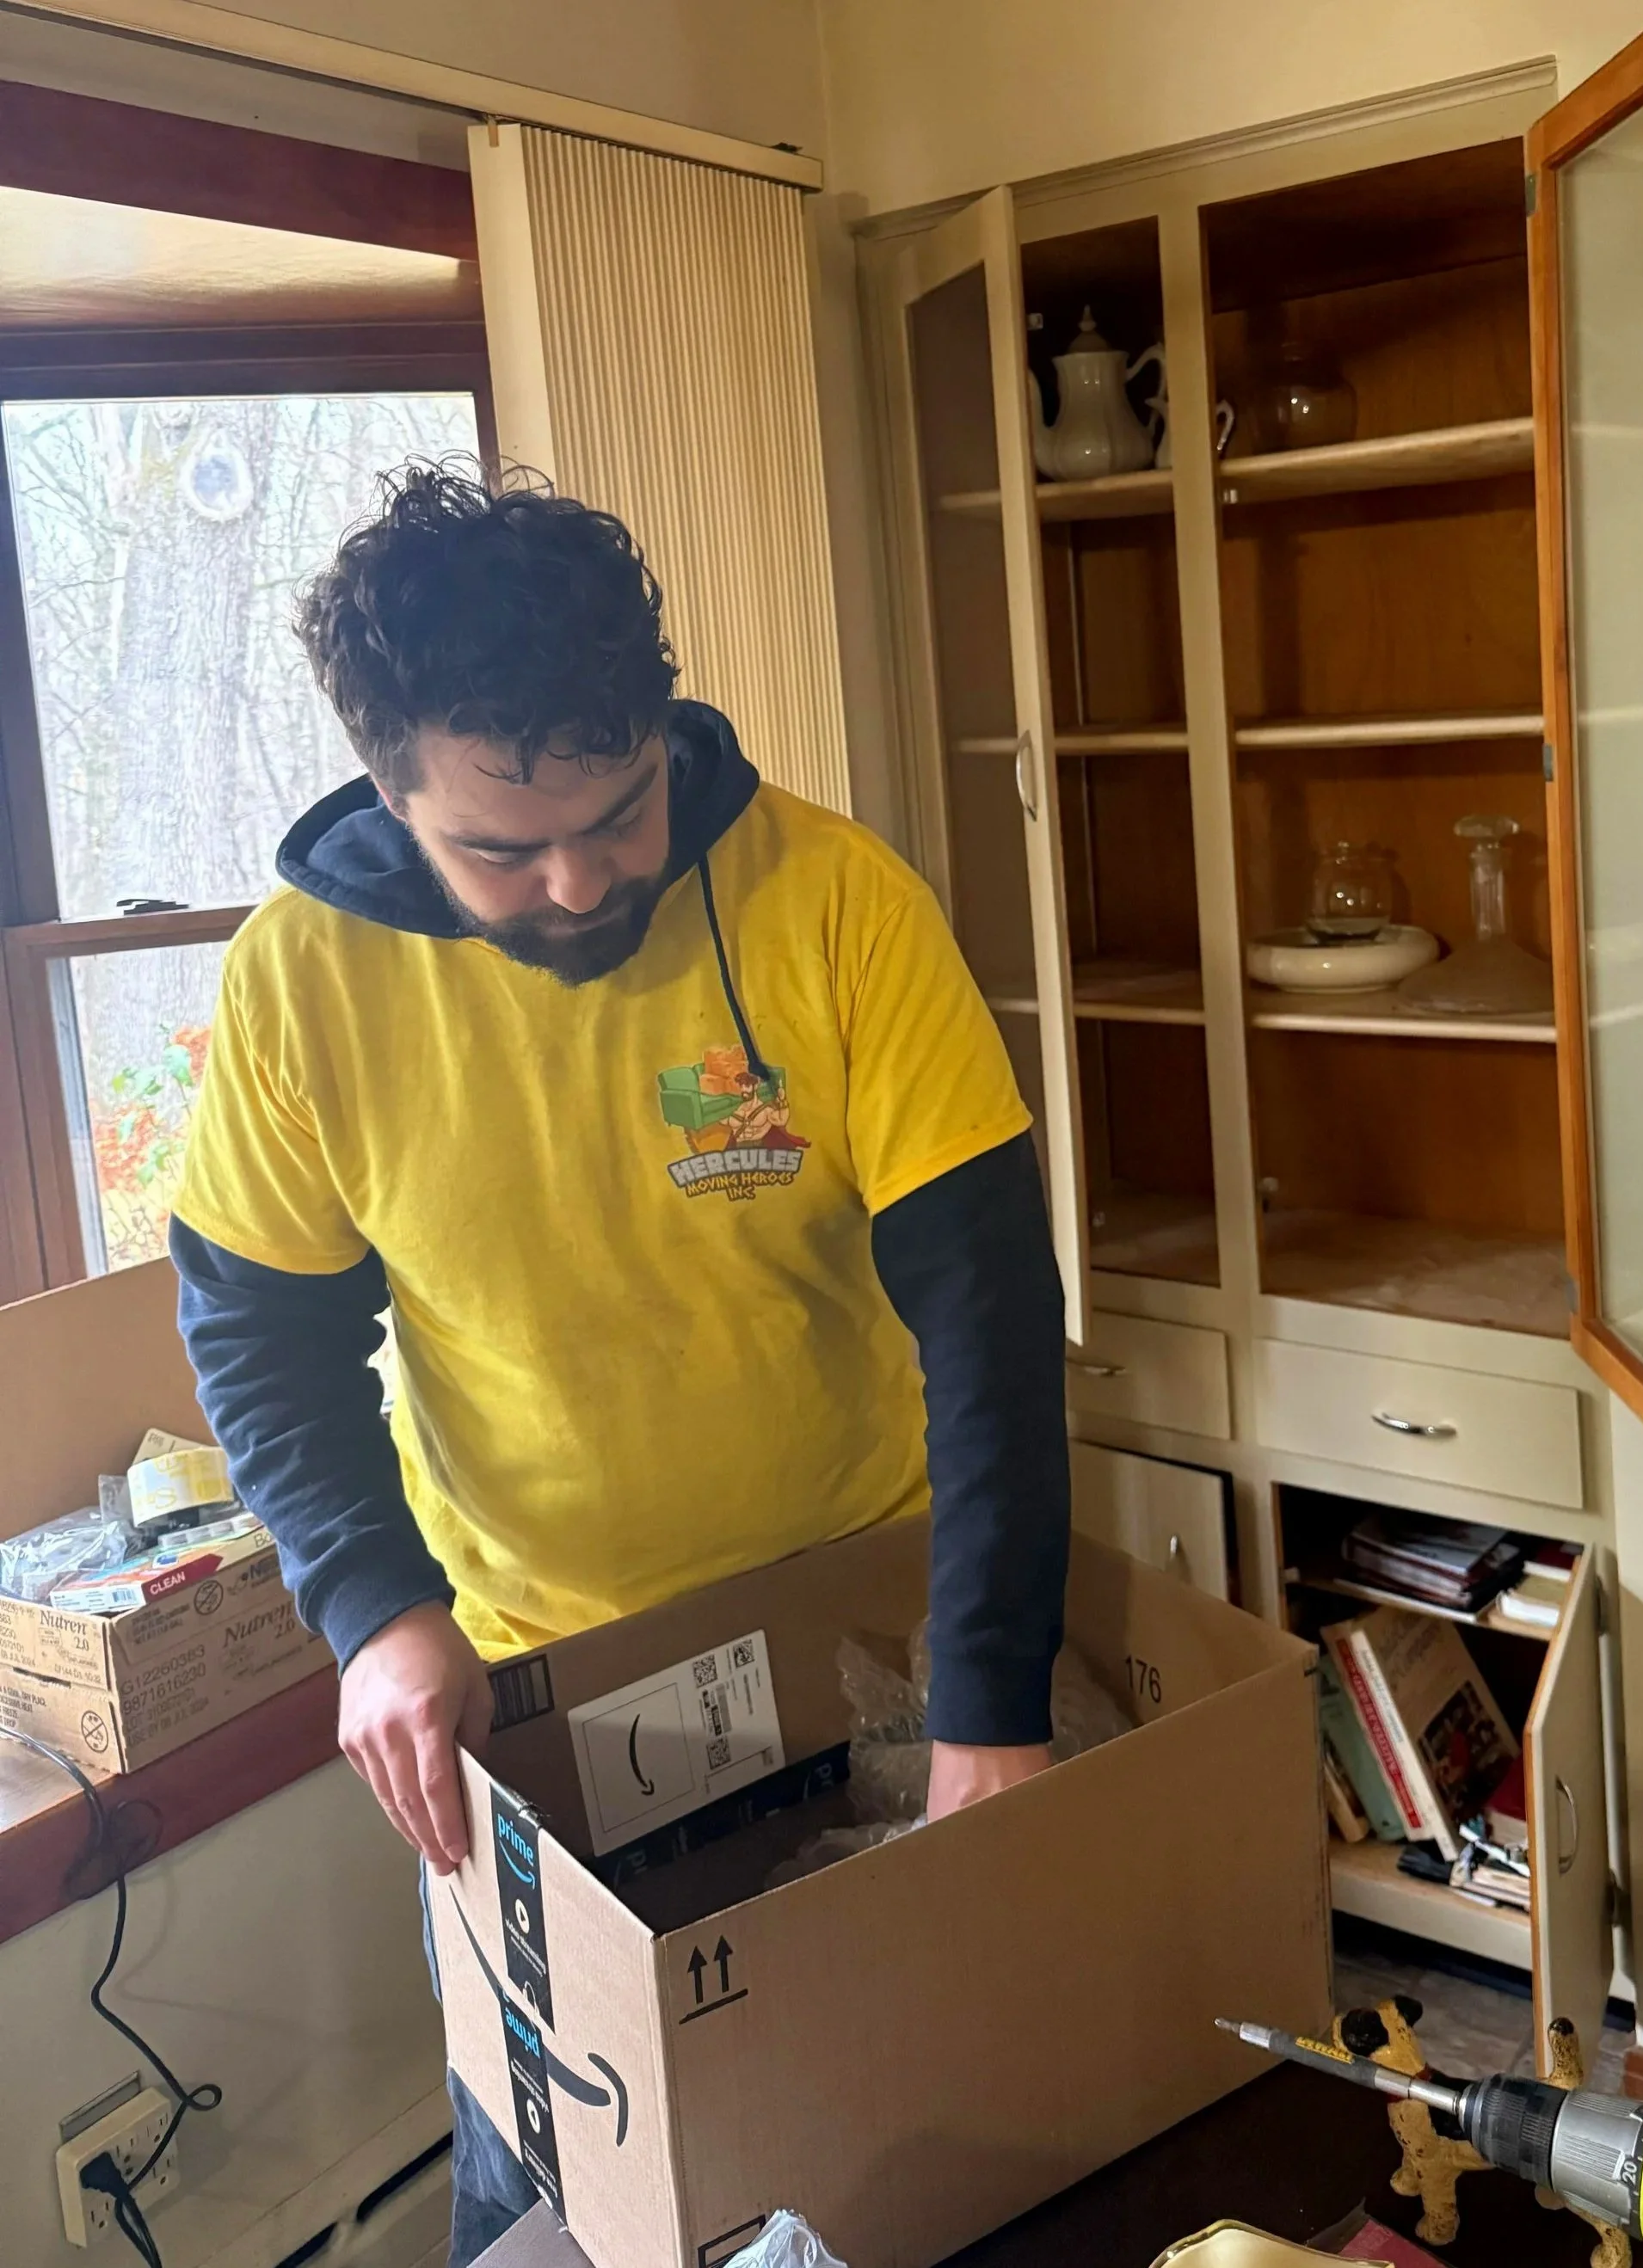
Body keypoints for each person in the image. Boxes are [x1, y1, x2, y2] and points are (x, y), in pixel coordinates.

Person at [169, 464, 1070, 2264]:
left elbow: (986, 1321)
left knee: (910, 2153)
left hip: (867, 1623)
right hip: (534, 1678)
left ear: (658, 728)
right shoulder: (302, 985)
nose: (582, 880)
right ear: (390, 785)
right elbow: (258, 1334)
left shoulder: (834, 899)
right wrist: (371, 1606)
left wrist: (990, 1703)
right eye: (505, 848)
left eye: (623, 808)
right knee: (563, 2204)